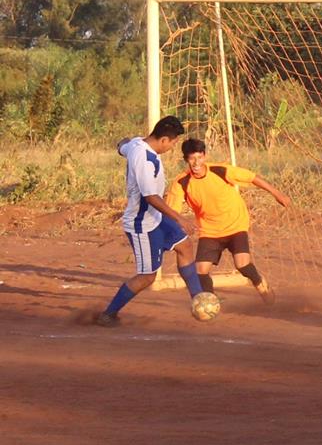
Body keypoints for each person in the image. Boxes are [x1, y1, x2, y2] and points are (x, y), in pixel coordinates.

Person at [96, 116, 205, 327]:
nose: (173, 147)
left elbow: (123, 145)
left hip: (156, 216)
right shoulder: (146, 160)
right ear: (163, 139)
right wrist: (181, 218)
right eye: (173, 143)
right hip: (142, 224)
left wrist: (120, 146)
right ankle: (108, 314)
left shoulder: (137, 143)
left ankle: (199, 299)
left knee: (185, 246)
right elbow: (151, 197)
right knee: (147, 277)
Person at [166, 138, 290, 304]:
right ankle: (210, 303)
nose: (196, 162)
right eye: (191, 158)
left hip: (235, 225)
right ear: (186, 159)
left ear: (204, 156)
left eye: (199, 157)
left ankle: (261, 284)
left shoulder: (220, 170)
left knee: (242, 264)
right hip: (209, 231)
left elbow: (252, 177)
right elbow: (172, 211)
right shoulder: (181, 183)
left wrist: (277, 194)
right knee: (201, 270)